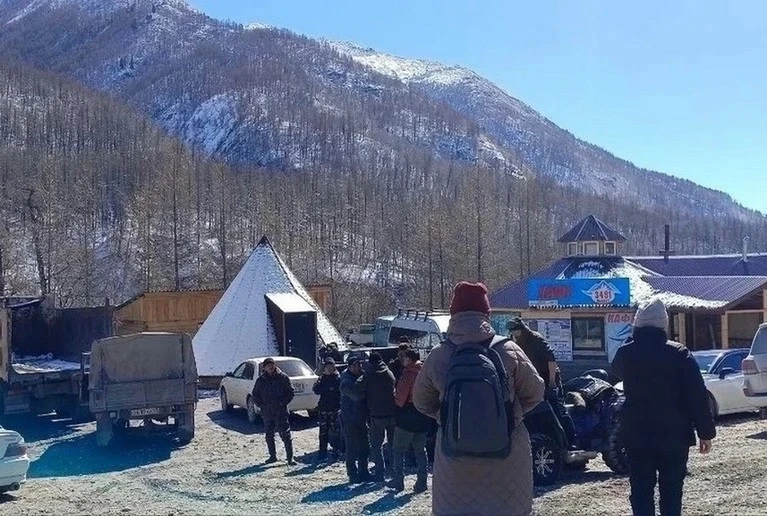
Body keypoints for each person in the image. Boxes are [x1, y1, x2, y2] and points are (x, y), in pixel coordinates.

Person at [413, 281, 545, 516]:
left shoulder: (439, 355)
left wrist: (446, 417)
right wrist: (509, 417)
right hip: (507, 459)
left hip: (454, 459)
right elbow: (535, 392)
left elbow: (421, 400)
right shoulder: (509, 349)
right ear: (486, 314)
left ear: (453, 314)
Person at [612, 298, 716, 516]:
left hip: (637, 434)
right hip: (674, 435)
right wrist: (705, 432)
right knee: (671, 492)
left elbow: (616, 371)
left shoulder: (626, 353)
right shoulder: (679, 354)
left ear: (637, 323)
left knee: (640, 491)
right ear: (664, 324)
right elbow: (697, 395)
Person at [507, 317, 578, 449]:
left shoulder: (536, 339)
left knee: (558, 410)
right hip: (535, 381)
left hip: (549, 379)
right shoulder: (517, 341)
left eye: (515, 331)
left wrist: (552, 383)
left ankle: (572, 441)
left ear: (521, 329)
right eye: (511, 332)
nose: (513, 334)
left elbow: (551, 361)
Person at [390, 349, 431, 493]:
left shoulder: (408, 374)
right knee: (420, 451)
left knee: (398, 450)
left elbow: (400, 398)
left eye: (405, 358)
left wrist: (395, 402)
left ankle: (398, 481)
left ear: (410, 359)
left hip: (407, 415)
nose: (403, 360)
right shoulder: (425, 372)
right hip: (423, 415)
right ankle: (422, 482)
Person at [252, 357, 296, 465]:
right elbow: (255, 394)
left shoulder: (283, 377)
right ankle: (272, 456)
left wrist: (282, 403)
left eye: (272, 365)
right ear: (264, 368)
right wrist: (261, 405)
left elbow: (290, 392)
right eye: (268, 365)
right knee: (269, 435)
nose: (270, 367)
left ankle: (290, 458)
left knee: (285, 435)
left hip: (280, 411)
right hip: (267, 412)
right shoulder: (261, 380)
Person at [364, 352, 397, 482]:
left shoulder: (369, 374)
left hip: (377, 415)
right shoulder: (389, 373)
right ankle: (394, 473)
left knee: (376, 446)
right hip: (392, 413)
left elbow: (360, 388)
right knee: (393, 445)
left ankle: (380, 473)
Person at [340, 356, 371, 483]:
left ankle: (364, 471)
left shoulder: (362, 376)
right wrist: (365, 392)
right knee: (352, 447)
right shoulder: (345, 380)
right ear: (349, 367)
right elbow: (356, 396)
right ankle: (352, 474)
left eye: (359, 364)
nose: (358, 367)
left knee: (365, 446)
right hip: (349, 418)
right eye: (355, 365)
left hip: (361, 417)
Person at [312, 357, 342, 461]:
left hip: (335, 409)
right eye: (327, 366)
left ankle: (336, 451)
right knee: (323, 432)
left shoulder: (338, 378)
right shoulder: (322, 378)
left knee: (335, 432)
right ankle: (322, 452)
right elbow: (316, 390)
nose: (329, 368)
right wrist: (323, 381)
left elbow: (339, 392)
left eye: (331, 366)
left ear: (334, 367)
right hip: (323, 409)